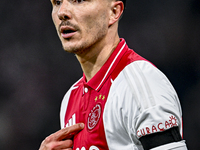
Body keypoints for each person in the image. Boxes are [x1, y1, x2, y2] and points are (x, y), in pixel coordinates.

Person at [39, 0, 187, 149]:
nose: (62, 12)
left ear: (114, 12)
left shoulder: (141, 86)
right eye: (57, 2)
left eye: (79, 0)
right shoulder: (70, 99)